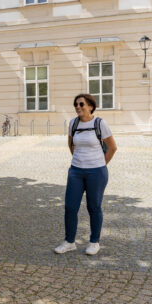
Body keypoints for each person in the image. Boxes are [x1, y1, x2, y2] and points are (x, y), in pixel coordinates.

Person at [54, 94, 117, 256]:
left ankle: (94, 242)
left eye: (81, 104)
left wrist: (100, 164)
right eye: (75, 104)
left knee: (94, 207)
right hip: (76, 170)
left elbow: (112, 147)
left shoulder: (99, 123)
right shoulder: (73, 123)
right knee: (70, 206)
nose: (78, 107)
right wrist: (78, 160)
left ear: (90, 106)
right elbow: (71, 144)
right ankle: (69, 242)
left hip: (96, 171)